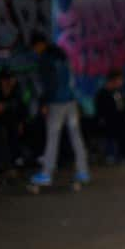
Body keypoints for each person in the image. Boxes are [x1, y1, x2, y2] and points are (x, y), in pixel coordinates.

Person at [30, 34, 90, 187]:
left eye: (35, 47)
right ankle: (83, 171)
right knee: (76, 135)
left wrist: (44, 102)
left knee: (52, 137)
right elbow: (70, 79)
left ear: (39, 45)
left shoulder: (45, 59)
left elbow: (48, 83)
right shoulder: (61, 55)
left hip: (56, 102)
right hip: (70, 100)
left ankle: (46, 173)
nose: (35, 51)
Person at [94, 69, 125, 163]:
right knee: (115, 128)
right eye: (120, 80)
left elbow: (121, 107)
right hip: (108, 122)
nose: (121, 82)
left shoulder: (117, 93)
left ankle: (122, 154)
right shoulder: (102, 94)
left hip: (119, 121)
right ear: (113, 80)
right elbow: (104, 112)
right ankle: (110, 154)